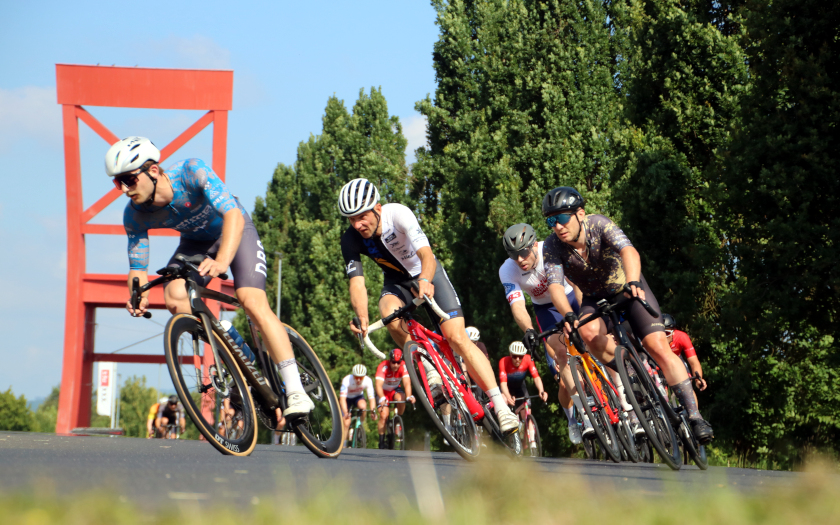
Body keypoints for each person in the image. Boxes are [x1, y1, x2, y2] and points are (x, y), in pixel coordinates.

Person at [105, 137, 313, 420]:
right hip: (196, 245)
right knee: (174, 297)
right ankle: (234, 349)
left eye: (129, 180)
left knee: (251, 301)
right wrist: (137, 293)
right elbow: (138, 268)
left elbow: (233, 216)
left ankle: (295, 389)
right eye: (118, 183)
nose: (125, 190)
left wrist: (222, 261)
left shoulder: (191, 172)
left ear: (153, 170)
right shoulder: (134, 215)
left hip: (235, 233)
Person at [338, 178, 519, 436]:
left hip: (427, 273)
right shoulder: (351, 238)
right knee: (388, 313)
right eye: (351, 219)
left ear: (377, 207)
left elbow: (426, 253)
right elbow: (357, 282)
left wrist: (424, 279)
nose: (357, 224)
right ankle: (430, 367)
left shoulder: (398, 214)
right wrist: (362, 317)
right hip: (397, 283)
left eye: (362, 216)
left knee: (457, 337)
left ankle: (501, 406)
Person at [538, 186, 714, 443]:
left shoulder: (599, 224)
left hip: (627, 289)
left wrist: (633, 281)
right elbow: (554, 286)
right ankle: (630, 370)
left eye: (562, 218)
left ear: (580, 214)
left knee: (658, 346)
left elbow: (628, 251)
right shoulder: (553, 246)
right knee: (586, 332)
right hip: (594, 299)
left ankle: (695, 416)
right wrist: (567, 314)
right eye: (551, 221)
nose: (557, 226)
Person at [499, 223, 595, 444]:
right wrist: (529, 330)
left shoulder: (549, 249)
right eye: (515, 255)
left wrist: (583, 316)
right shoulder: (507, 270)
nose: (520, 259)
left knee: (595, 339)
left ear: (534, 245)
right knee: (561, 358)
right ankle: (580, 417)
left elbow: (576, 283)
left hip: (570, 296)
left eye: (523, 252)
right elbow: (518, 306)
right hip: (546, 310)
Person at [374, 349, 416, 449]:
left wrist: (409, 395)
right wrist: (382, 398)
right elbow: (378, 385)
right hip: (382, 391)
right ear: (390, 360)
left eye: (398, 362)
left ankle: (397, 419)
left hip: (394, 389)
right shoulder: (383, 366)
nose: (396, 365)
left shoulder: (403, 366)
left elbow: (406, 383)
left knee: (402, 398)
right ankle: (381, 441)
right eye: (393, 362)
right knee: (384, 415)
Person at [499, 342, 548, 420]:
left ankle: (529, 430)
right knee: (504, 400)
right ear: (510, 354)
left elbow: (536, 378)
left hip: (520, 386)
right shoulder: (504, 361)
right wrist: (508, 397)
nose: (517, 359)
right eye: (514, 356)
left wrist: (541, 391)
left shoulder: (528, 359)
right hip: (507, 387)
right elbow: (503, 384)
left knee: (527, 411)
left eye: (520, 356)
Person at [663, 314, 706, 391]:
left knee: (687, 387)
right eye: (661, 334)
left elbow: (693, 362)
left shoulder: (681, 337)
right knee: (662, 390)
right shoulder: (653, 341)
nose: (664, 338)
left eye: (667, 333)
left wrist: (698, 379)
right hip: (660, 363)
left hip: (676, 360)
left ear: (674, 331)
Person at [340, 364, 377, 445]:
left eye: (361, 377)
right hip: (347, 399)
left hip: (358, 397)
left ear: (364, 376)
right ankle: (343, 443)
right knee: (346, 422)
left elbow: (371, 398)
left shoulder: (368, 380)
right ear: (353, 375)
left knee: (363, 406)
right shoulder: (347, 380)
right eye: (356, 377)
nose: (359, 380)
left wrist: (373, 411)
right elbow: (342, 399)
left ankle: (361, 425)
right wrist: (346, 412)